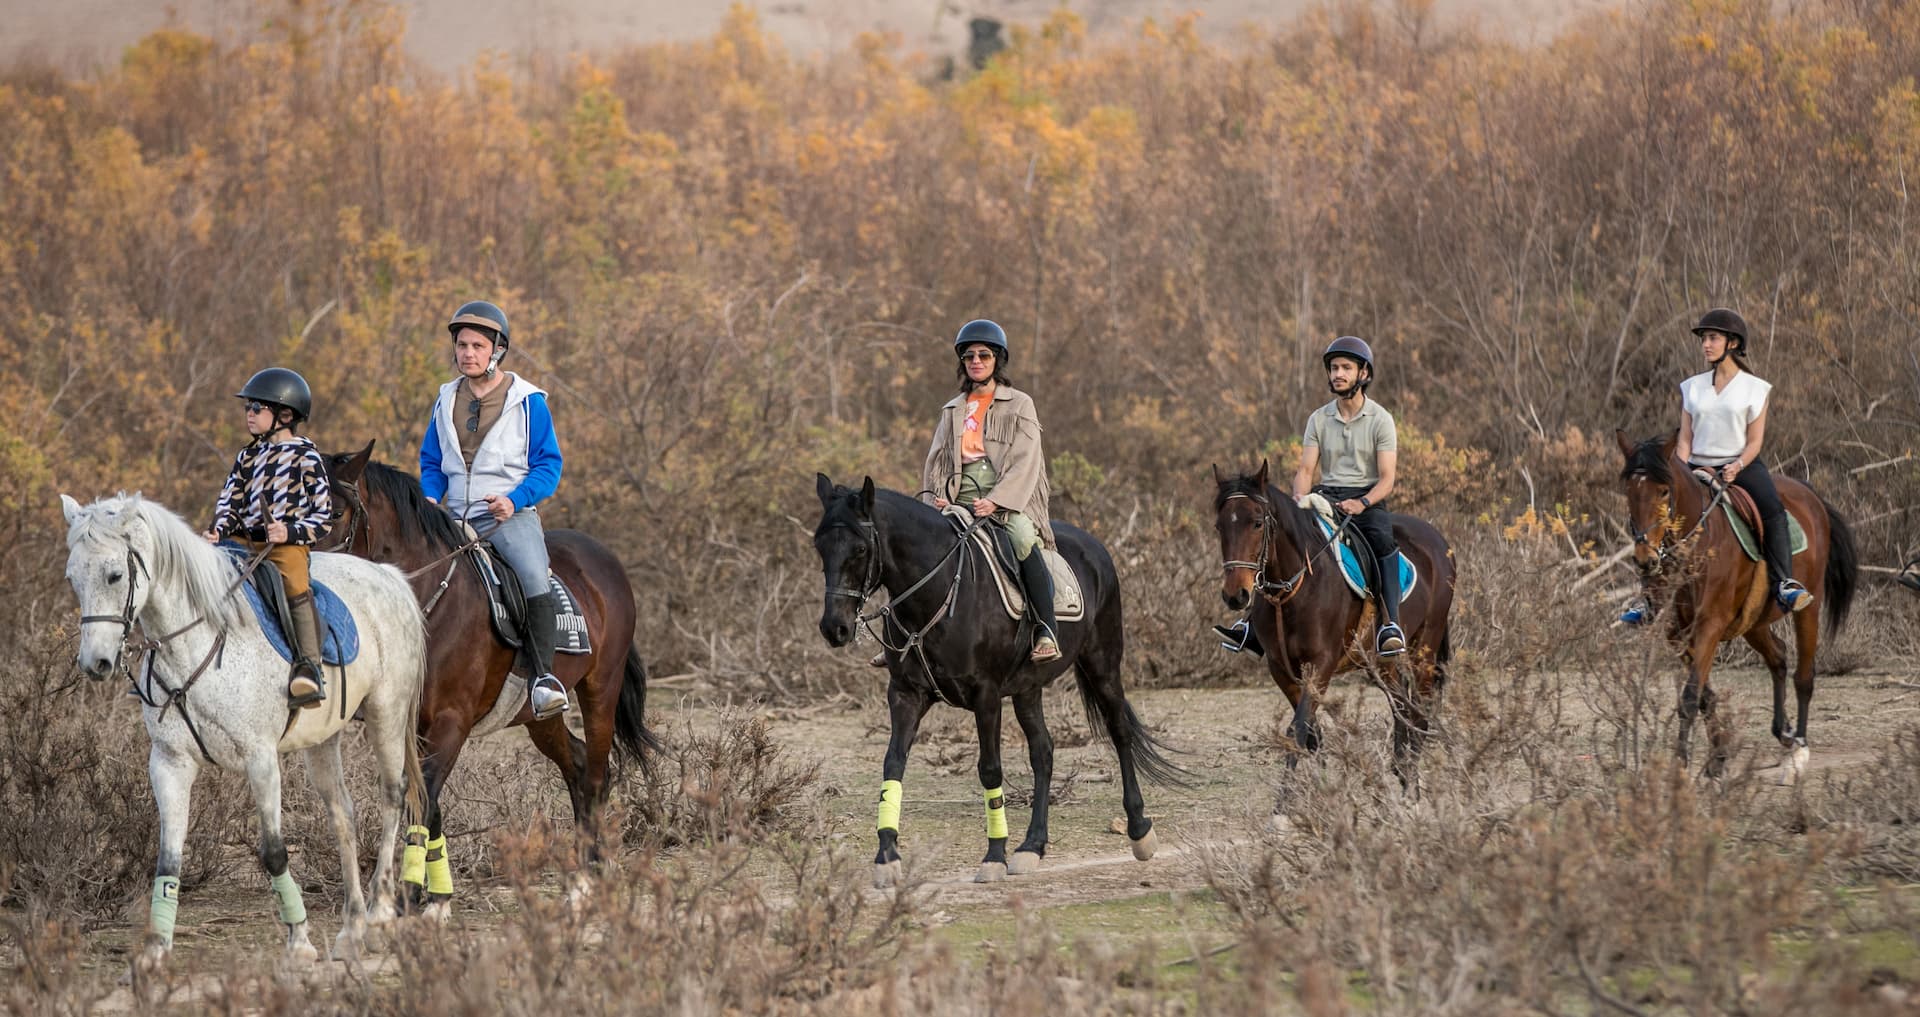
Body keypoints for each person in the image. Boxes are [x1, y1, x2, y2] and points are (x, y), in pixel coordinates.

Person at [419, 299, 570, 720]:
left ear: (497, 351)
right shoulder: (444, 398)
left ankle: (543, 680)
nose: (467, 353)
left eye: (477, 346)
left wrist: (514, 500)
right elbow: (432, 461)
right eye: (462, 345)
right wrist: (430, 496)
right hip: (452, 515)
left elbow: (548, 464)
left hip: (508, 514)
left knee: (533, 575)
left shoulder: (528, 401)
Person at [1621, 308, 1811, 624]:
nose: (1705, 345)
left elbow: (1754, 442)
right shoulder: (1691, 387)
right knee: (1655, 516)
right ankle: (1649, 600)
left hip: (1742, 466)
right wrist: (1680, 469)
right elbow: (1684, 439)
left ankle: (1783, 583)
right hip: (1695, 466)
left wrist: (1737, 466)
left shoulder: (1755, 388)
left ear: (1733, 343)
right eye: (1704, 339)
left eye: (1712, 338)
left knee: (1772, 510)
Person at [891, 319, 1061, 664]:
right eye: (969, 356)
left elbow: (1026, 461)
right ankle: (900, 637)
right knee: (913, 547)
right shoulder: (952, 409)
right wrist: (936, 500)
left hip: (1006, 497)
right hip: (959, 497)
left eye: (984, 355)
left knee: (1023, 537)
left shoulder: (1020, 404)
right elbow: (936, 460)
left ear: (997, 359)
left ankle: (1046, 628)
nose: (976, 361)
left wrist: (997, 501)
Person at [204, 368, 334, 707]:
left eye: (256, 408)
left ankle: (309, 667)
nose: (249, 414)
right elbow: (229, 499)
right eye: (247, 407)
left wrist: (288, 532)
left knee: (294, 583)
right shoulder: (247, 456)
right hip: (243, 541)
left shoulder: (306, 456)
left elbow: (323, 518)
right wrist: (219, 527)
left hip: (285, 546)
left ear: (285, 414)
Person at [1295, 336, 1405, 656]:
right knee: (1282, 534)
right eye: (1333, 368)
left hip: (1366, 499)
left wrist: (1364, 503)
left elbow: (1387, 479)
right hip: (1326, 496)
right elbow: (1305, 469)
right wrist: (1299, 499)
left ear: (1364, 374)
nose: (1338, 374)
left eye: (1346, 368)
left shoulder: (1381, 420)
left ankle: (1390, 624)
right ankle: (1251, 625)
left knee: (1383, 541)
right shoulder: (1318, 419)